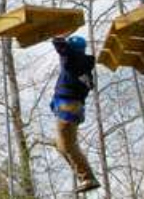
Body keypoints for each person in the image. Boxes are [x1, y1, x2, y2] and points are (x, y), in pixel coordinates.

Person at [51, 36, 100, 194]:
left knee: (67, 145)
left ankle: (87, 177)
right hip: (75, 108)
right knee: (62, 145)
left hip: (68, 107)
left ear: (72, 49)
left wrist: (57, 35)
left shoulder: (72, 59)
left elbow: (61, 47)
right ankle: (84, 176)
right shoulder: (84, 67)